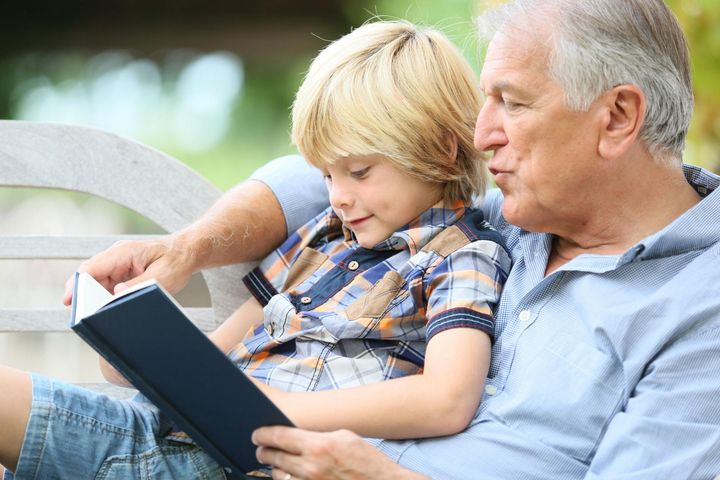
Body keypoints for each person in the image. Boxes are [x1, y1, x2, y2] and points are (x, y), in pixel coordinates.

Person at [49, 0, 719, 478]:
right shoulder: (510, 214)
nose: (483, 136)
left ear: (617, 118)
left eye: (512, 103)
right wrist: (185, 251)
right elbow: (317, 180)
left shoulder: (700, 309)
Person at [0, 20, 512, 480]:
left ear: (442, 149)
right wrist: (136, 352)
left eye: (358, 172)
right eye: (327, 175)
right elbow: (217, 355)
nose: (339, 195)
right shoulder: (324, 234)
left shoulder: (460, 255)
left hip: (243, 461)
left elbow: (446, 400)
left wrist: (279, 408)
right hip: (165, 437)